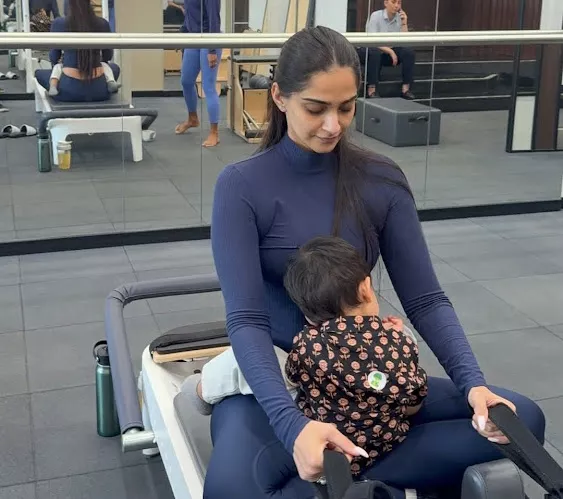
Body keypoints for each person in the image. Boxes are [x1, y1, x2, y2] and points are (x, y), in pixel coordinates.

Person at [207, 25, 545, 499]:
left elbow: (425, 299)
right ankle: (368, 477)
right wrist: (292, 426)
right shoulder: (241, 186)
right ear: (280, 97)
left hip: (368, 382)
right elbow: (246, 319)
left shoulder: (379, 179)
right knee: (229, 491)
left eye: (346, 107)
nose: (333, 125)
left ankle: (357, 479)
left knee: (521, 419)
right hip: (285, 381)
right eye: (316, 109)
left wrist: (474, 387)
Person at [185, 236, 428, 479]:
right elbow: (412, 405)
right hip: (383, 447)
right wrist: (398, 337)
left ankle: (201, 389)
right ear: (365, 288)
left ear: (308, 316)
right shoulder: (401, 343)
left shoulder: (308, 345)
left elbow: (292, 375)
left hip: (323, 452)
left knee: (257, 361)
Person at [35, 0, 120, 102]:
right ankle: (109, 84)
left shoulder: (58, 23)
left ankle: (55, 87)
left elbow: (54, 57)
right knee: (114, 68)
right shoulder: (103, 23)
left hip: (68, 90)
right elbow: (108, 56)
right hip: (99, 89)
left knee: (39, 73)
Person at [175, 0, 222, 148]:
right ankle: (192, 119)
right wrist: (182, 35)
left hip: (209, 39)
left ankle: (214, 132)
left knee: (208, 86)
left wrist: (212, 49)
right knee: (186, 81)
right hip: (193, 38)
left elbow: (214, 19)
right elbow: (190, 15)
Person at [358, 0, 415, 99]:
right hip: (374, 51)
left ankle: (406, 89)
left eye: (399, 3)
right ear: (386, 3)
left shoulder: (399, 18)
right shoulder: (376, 16)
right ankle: (371, 90)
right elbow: (372, 40)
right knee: (375, 52)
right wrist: (390, 51)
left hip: (389, 54)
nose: (396, 6)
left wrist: (404, 24)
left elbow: (405, 41)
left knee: (408, 52)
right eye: (393, 2)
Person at [48, 60, 119, 97]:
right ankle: (111, 81)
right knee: (105, 65)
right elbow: (107, 55)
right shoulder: (98, 37)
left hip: (69, 68)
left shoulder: (65, 37)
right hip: (94, 69)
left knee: (57, 67)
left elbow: (54, 56)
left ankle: (53, 86)